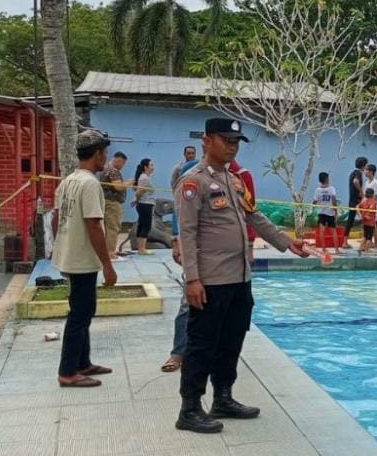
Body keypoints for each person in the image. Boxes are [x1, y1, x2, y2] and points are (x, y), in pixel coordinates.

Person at [175, 117, 310, 434]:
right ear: (207, 141)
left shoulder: (234, 180)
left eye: (236, 142)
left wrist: (287, 242)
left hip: (239, 277)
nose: (232, 146)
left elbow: (255, 216)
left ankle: (223, 397)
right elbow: (188, 234)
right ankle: (190, 407)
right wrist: (192, 279)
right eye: (226, 140)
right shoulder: (193, 183)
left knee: (231, 340)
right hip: (210, 281)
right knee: (201, 344)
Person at [52, 129, 118, 388]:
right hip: (81, 259)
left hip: (70, 254)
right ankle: (68, 372)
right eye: (105, 153)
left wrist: (61, 244)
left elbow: (57, 217)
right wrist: (108, 264)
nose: (106, 158)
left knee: (84, 310)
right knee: (80, 314)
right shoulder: (90, 183)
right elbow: (94, 225)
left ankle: (83, 362)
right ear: (98, 154)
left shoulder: (68, 181)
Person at [162, 156, 200, 374]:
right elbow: (179, 211)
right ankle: (178, 351)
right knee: (187, 302)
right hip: (191, 250)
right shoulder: (190, 173)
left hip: (214, 253)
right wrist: (176, 242)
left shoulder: (224, 174)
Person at [99, 151, 133, 261]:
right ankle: (110, 253)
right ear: (118, 160)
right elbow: (118, 187)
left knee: (107, 228)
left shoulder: (105, 168)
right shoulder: (113, 170)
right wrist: (128, 183)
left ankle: (107, 251)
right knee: (113, 227)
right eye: (122, 164)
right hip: (112, 203)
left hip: (106, 201)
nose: (122, 166)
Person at [228, 159, 257, 254]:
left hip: (239, 242)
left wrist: (250, 244)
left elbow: (249, 210)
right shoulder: (197, 176)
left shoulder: (243, 175)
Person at [343, 156, 368, 249]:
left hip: (352, 200)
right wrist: (361, 192)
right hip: (357, 201)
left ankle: (345, 242)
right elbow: (355, 181)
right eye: (366, 165)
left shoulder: (352, 173)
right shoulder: (358, 173)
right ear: (363, 165)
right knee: (366, 219)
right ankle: (365, 241)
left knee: (350, 221)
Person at [132, 158, 156, 254]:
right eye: (151, 165)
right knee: (146, 225)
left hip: (145, 204)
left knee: (142, 225)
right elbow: (139, 191)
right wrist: (135, 200)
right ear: (146, 167)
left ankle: (140, 248)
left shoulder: (144, 177)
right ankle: (142, 249)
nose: (153, 167)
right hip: (145, 204)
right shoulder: (144, 178)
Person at [312, 172, 339, 255]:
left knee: (322, 231)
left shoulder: (317, 190)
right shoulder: (332, 189)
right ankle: (337, 250)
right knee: (333, 231)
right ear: (327, 179)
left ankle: (324, 249)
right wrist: (336, 211)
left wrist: (313, 204)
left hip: (321, 213)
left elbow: (314, 202)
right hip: (330, 213)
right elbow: (334, 201)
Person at [364, 164, 377, 249]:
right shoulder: (367, 182)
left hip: (371, 207)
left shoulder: (375, 182)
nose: (365, 172)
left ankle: (376, 243)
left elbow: (375, 196)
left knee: (373, 225)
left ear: (371, 172)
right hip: (366, 206)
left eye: (366, 170)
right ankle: (371, 241)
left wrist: (372, 207)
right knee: (371, 225)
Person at [358, 187, 377, 253]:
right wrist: (367, 215)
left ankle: (360, 248)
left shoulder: (363, 201)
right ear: (372, 194)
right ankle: (366, 250)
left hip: (364, 222)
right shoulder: (373, 201)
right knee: (369, 238)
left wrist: (361, 215)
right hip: (370, 222)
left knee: (364, 236)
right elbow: (371, 209)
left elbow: (358, 207)